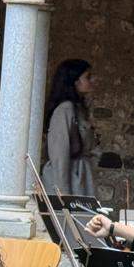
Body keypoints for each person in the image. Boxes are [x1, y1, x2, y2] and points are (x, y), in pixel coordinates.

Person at [41, 58, 96, 198]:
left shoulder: (78, 109)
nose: (92, 81)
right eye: (87, 77)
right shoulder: (65, 109)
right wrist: (63, 195)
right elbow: (59, 155)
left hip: (79, 175)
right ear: (75, 81)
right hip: (71, 179)